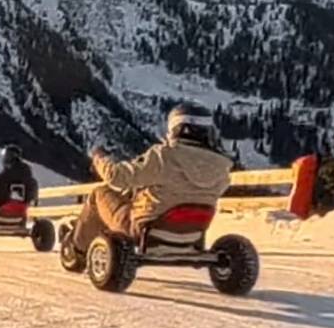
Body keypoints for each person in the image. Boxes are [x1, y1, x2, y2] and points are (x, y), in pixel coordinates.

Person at [66, 104, 233, 259]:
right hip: (194, 232)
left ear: (177, 128)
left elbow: (116, 176)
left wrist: (99, 159)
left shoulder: (164, 156)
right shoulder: (222, 166)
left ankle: (76, 250)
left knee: (100, 194)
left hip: (145, 230)